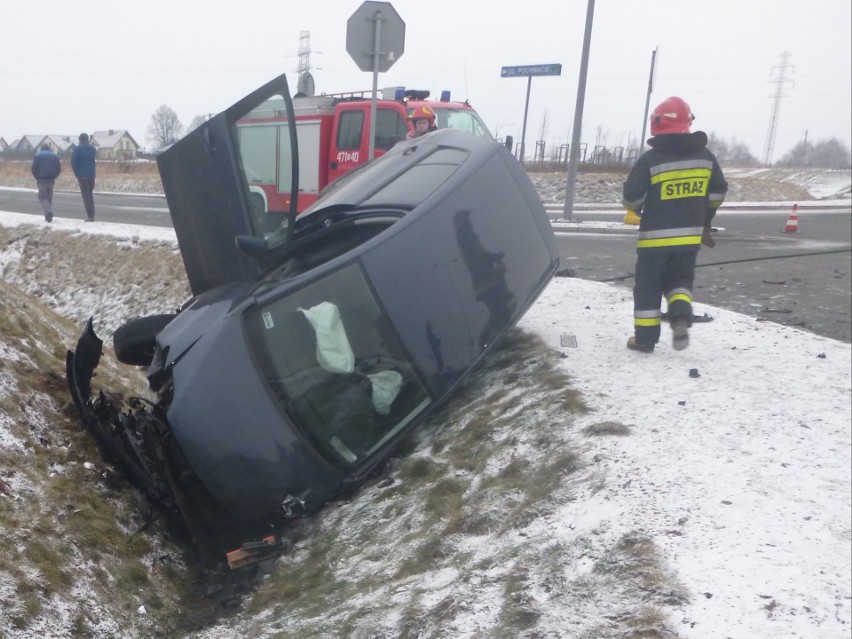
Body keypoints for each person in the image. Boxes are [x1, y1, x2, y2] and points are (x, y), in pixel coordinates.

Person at [622, 96, 727, 353]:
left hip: (654, 241)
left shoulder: (651, 160)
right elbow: (718, 193)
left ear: (656, 124)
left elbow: (631, 197)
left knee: (648, 287)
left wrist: (635, 208)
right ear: (687, 123)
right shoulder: (706, 157)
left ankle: (645, 339)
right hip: (689, 239)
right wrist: (705, 218)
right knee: (679, 282)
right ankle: (680, 317)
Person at [30, 144, 61, 222]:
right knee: (49, 198)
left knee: (42, 197)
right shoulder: (55, 156)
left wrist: (37, 177)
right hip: (51, 180)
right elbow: (59, 168)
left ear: (41, 148)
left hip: (42, 179)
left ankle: (49, 213)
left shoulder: (38, 155)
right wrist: (54, 176)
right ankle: (48, 217)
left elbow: (33, 168)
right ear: (49, 148)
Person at [71, 132, 97, 221]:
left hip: (82, 176)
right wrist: (93, 175)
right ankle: (92, 214)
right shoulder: (93, 149)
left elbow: (74, 163)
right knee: (90, 195)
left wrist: (77, 174)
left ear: (80, 140)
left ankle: (90, 216)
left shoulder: (77, 149)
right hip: (91, 175)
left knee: (86, 197)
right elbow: (93, 163)